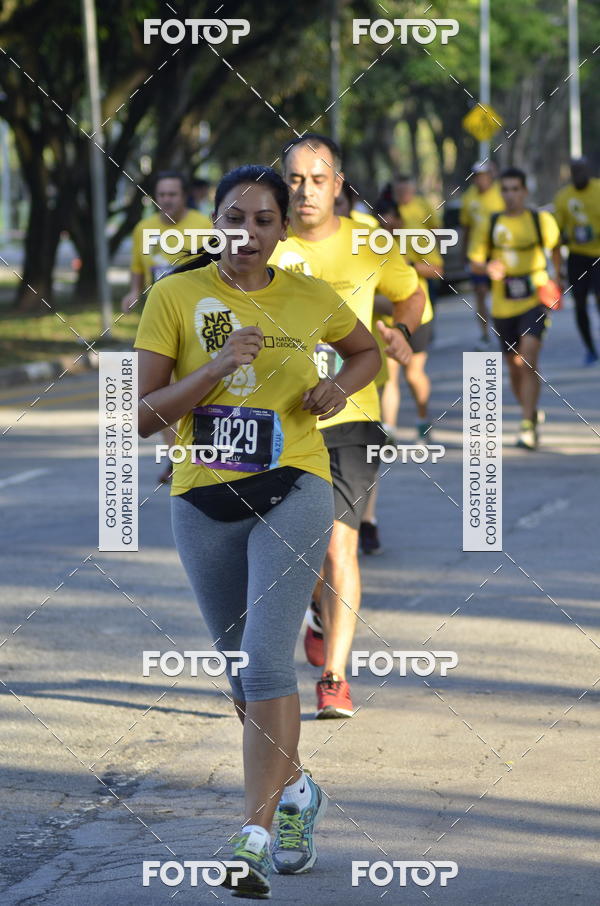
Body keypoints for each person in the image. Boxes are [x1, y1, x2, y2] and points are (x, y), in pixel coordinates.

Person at [134, 165, 380, 899]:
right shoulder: (173, 296)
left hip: (294, 487)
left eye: (264, 219)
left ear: (280, 230)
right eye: (234, 217)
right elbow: (142, 415)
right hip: (202, 497)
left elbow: (362, 350)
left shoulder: (307, 294)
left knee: (265, 661)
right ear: (216, 224)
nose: (249, 232)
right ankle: (300, 789)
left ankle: (255, 834)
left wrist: (340, 385)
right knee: (243, 679)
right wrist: (214, 367)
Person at [270, 133, 425, 718]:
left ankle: (334, 677)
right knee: (300, 552)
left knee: (340, 546)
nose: (305, 190)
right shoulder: (267, 242)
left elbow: (410, 297)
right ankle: (317, 608)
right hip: (280, 419)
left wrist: (400, 332)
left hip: (351, 415)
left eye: (317, 179)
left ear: (338, 184)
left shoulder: (370, 242)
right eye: (294, 179)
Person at [360, 197, 443, 554]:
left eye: (388, 216)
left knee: (413, 377)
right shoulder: (364, 246)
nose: (385, 222)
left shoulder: (409, 239)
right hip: (380, 327)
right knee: (390, 380)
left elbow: (436, 270)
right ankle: (390, 430)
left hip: (415, 320)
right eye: (378, 217)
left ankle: (424, 417)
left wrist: (409, 263)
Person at [121, 171, 213, 482]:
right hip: (159, 323)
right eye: (161, 195)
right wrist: (134, 293)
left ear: (183, 195)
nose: (166, 201)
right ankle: (177, 458)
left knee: (191, 386)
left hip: (197, 320)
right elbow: (138, 270)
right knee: (157, 392)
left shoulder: (204, 225)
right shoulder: (143, 229)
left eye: (172, 194)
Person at [469, 167, 561, 450]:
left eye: (514, 189)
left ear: (524, 191)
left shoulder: (539, 220)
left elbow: (556, 247)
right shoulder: (490, 222)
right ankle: (530, 413)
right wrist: (488, 267)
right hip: (502, 305)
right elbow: (474, 261)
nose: (510, 195)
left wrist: (556, 278)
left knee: (529, 358)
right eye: (505, 189)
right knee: (514, 366)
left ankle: (526, 427)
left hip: (534, 300)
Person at [553, 157, 600, 365]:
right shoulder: (563, 198)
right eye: (574, 171)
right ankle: (590, 348)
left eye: (581, 170)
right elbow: (556, 233)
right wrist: (559, 271)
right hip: (577, 258)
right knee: (579, 304)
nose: (578, 175)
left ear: (588, 171)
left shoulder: (598, 190)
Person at [460, 161, 505, 350]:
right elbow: (466, 227)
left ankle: (505, 332)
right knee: (480, 294)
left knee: (501, 294)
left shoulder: (500, 193)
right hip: (477, 255)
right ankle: (485, 334)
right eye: (477, 176)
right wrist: (463, 254)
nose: (480, 179)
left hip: (498, 253)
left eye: (484, 175)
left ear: (490, 175)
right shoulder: (469, 198)